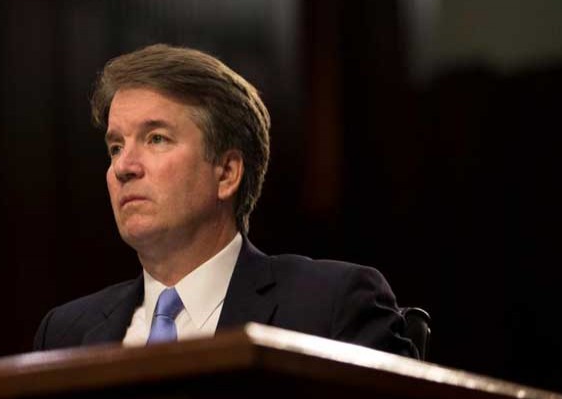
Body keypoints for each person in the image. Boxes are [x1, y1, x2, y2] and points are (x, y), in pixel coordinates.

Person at [33, 44, 417, 358]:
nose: (124, 167)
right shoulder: (66, 333)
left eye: (156, 139)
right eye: (115, 147)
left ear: (227, 173)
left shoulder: (329, 306)